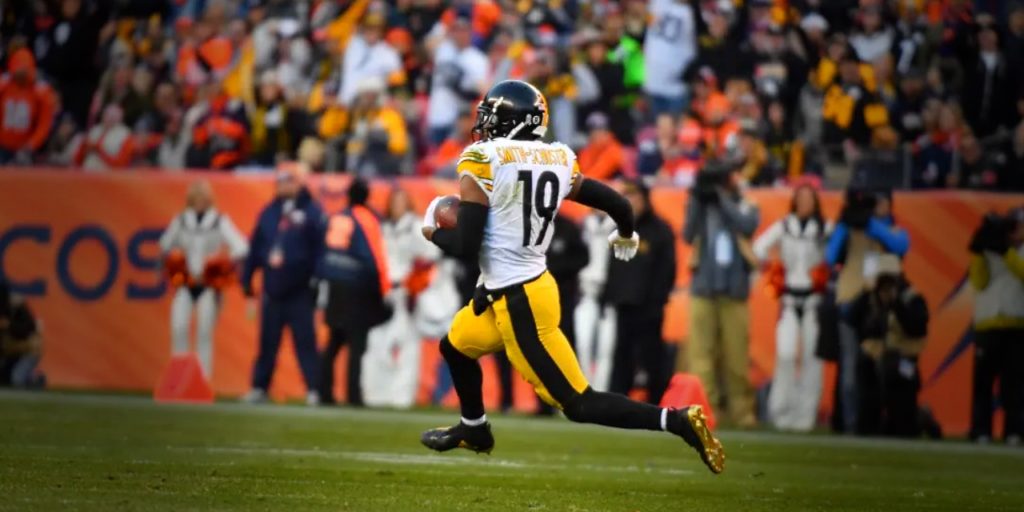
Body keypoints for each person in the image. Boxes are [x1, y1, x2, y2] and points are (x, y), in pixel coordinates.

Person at [418, 80, 724, 474]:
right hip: (512, 288)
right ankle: (474, 428)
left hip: (521, 299)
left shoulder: (484, 158)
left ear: (515, 121)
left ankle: (677, 420)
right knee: (456, 347)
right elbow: (616, 201)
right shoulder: (556, 158)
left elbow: (465, 243)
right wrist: (626, 231)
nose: (486, 126)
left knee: (579, 402)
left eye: (493, 117)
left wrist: (432, 230)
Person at [683, 157, 760, 427]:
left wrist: (721, 198)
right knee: (701, 355)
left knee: (737, 357)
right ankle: (706, 410)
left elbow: (747, 225)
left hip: (734, 289)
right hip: (704, 287)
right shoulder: (701, 203)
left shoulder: (744, 202)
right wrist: (697, 198)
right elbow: (687, 233)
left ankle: (743, 412)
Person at [825, 189, 910, 433]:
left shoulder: (893, 230)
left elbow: (901, 246)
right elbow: (830, 257)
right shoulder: (849, 228)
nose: (876, 208)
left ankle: (881, 423)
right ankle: (851, 425)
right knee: (850, 369)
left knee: (881, 368)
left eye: (881, 204)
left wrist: (871, 222)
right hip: (851, 302)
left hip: (882, 308)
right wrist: (845, 221)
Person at [240, 163, 325, 405]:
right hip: (273, 287)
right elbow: (256, 247)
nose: (283, 186)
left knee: (305, 343)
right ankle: (260, 387)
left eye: (289, 181)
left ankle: (313, 389)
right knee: (267, 342)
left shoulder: (312, 211)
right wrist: (247, 278)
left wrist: (317, 279)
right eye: (281, 181)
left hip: (299, 288)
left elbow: (320, 249)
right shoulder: (269, 212)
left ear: (299, 183)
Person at [753, 184, 831, 432]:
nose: (805, 203)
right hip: (788, 299)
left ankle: (806, 415)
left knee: (811, 358)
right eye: (801, 198)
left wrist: (825, 270)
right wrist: (774, 266)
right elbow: (760, 246)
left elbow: (838, 250)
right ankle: (781, 412)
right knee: (786, 355)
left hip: (813, 300)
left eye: (809, 198)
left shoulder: (823, 228)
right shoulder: (785, 226)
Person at [159, 180, 248, 380]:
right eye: (196, 198)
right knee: (179, 327)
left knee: (204, 332)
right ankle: (179, 378)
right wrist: (177, 259)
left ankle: (201, 381)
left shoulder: (219, 220)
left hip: (209, 285)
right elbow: (165, 244)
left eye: (203, 198)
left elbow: (240, 246)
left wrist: (219, 264)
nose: (199, 202)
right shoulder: (181, 220)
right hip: (186, 282)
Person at [318, 178, 391, 406]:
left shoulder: (337, 216)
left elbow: (325, 253)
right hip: (357, 288)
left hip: (334, 286)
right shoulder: (365, 218)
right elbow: (374, 257)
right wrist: (383, 289)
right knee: (356, 345)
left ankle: (324, 393)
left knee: (334, 343)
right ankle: (353, 396)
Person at [604, 181, 676, 405]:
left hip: (649, 307)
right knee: (621, 356)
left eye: (635, 197)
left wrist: (658, 300)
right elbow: (613, 266)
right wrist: (611, 295)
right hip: (624, 304)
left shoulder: (660, 230)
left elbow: (667, 269)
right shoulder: (620, 229)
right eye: (628, 197)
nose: (632, 202)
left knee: (652, 357)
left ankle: (658, 402)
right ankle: (617, 401)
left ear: (645, 199)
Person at [846, 255, 929, 437]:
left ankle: (919, 420)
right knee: (866, 371)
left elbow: (917, 329)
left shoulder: (912, 298)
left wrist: (896, 305)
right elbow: (851, 318)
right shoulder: (873, 297)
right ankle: (867, 427)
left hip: (904, 359)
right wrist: (866, 293)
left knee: (902, 412)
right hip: (878, 358)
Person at [968, 208, 1024, 444]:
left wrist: (1006, 252)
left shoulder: (1018, 253)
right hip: (987, 324)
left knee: (1014, 384)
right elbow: (979, 282)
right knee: (983, 383)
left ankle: (1014, 431)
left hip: (1015, 325)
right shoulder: (989, 251)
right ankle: (981, 431)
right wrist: (981, 251)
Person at [425, 15, 489, 146]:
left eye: (463, 31)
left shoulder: (478, 59)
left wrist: (462, 82)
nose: (460, 34)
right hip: (436, 117)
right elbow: (427, 43)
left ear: (470, 33)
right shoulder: (443, 50)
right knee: (434, 162)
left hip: (457, 121)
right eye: (456, 30)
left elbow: (482, 90)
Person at [0, 48, 57, 165]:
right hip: (2, 146)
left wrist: (32, 144)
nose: (21, 75)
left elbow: (45, 123)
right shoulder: (4, 86)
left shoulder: (40, 92)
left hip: (25, 149)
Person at [643, 0, 697, 117]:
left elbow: (691, 53)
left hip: (675, 90)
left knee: (675, 132)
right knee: (654, 132)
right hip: (652, 86)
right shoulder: (658, 4)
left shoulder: (688, 13)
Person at [0, 279, 44, 389]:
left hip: (27, 351)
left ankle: (35, 379)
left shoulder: (16, 307)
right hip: (10, 353)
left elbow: (29, 328)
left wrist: (9, 325)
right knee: (5, 382)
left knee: (17, 380)